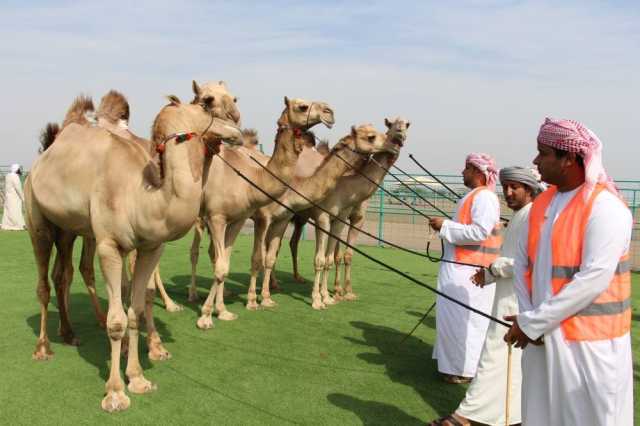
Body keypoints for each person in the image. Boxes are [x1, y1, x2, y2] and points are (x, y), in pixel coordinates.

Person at [505, 118, 633, 425]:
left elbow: (593, 279)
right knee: (540, 416)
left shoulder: (606, 208)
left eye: (543, 153)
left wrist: (533, 322)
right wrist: (528, 319)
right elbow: (523, 264)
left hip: (589, 346)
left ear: (570, 158)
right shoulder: (542, 203)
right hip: (540, 340)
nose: (535, 161)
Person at [430, 166, 545, 426]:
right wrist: (492, 272)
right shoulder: (521, 216)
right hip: (506, 295)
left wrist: (492, 269)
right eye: (506, 187)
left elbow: (528, 262)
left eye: (515, 187)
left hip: (516, 301)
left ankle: (467, 416)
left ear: (530, 190)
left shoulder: (531, 218)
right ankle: (508, 417)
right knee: (506, 360)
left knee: (494, 354)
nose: (508, 192)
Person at [428, 153, 501, 384]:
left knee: (464, 323)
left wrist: (445, 225)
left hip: (470, 272)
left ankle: (464, 370)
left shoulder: (485, 198)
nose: (462, 172)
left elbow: (480, 233)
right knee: (452, 320)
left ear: (478, 172)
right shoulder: (474, 196)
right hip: (460, 268)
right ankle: (453, 366)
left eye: (466, 168)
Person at [1, 164, 26, 230]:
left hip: (8, 197)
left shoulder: (8, 176)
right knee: (15, 211)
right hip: (15, 197)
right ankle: (18, 225)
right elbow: (18, 188)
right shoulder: (15, 177)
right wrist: (23, 198)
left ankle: (7, 224)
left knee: (8, 211)